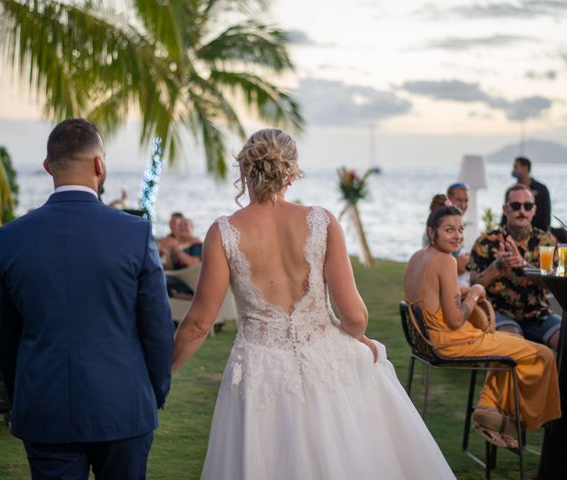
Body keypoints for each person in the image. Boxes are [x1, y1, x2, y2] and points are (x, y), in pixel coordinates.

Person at [172, 128, 455, 479]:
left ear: (245, 170)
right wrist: (347, 334)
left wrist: (164, 371)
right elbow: (355, 317)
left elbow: (199, 323)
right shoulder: (322, 222)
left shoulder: (224, 232)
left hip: (259, 370)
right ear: (291, 173)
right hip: (322, 362)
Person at [0, 118, 174, 479]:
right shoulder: (135, 233)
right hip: (124, 407)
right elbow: (157, 327)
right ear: (99, 165)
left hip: (44, 407)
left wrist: (21, 393)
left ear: (47, 167)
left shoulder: (10, 239)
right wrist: (154, 391)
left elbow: (3, 334)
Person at [405, 205, 560, 448]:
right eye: (449, 230)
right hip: (450, 342)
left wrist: (464, 291)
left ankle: (489, 408)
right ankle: (527, 424)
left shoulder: (418, 257)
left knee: (514, 346)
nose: (457, 236)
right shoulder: (445, 260)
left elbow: (434, 300)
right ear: (432, 232)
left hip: (427, 341)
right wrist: (476, 294)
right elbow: (456, 320)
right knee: (544, 355)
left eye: (460, 229)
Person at [467, 184, 561, 350]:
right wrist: (496, 267)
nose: (522, 211)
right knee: (514, 345)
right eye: (516, 206)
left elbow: (552, 286)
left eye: (528, 206)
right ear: (505, 209)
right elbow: (474, 285)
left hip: (539, 314)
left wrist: (525, 265)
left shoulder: (546, 242)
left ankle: (558, 377)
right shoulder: (486, 242)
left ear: (534, 210)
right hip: (499, 313)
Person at [159, 213, 203, 296]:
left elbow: (194, 265)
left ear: (192, 228)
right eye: (180, 225)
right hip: (176, 279)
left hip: (191, 283)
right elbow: (170, 268)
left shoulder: (197, 245)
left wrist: (176, 250)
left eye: (185, 225)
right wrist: (166, 254)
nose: (182, 227)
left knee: (160, 280)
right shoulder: (175, 245)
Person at [504, 156, 551, 231]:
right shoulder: (511, 191)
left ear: (525, 167)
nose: (514, 170)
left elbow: (546, 215)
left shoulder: (541, 189)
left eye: (516, 167)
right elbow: (505, 216)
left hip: (537, 233)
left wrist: (545, 233)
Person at [446, 182, 471, 286]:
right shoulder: (444, 226)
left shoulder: (457, 224)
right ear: (448, 200)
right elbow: (459, 266)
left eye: (466, 200)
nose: (463, 205)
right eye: (459, 200)